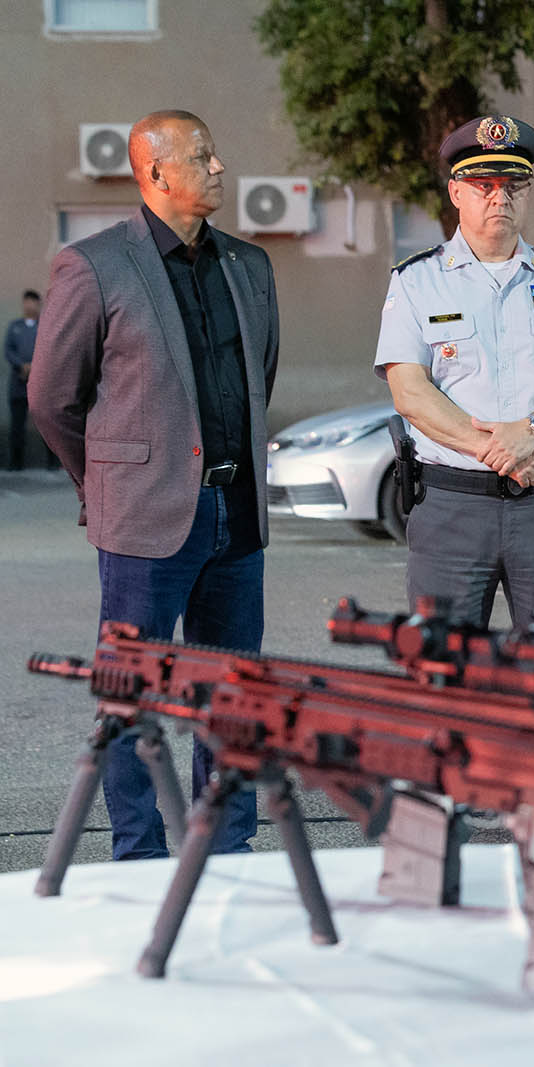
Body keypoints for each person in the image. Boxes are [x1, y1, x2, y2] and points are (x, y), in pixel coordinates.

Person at [29, 110, 276, 860]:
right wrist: (107, 484)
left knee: (232, 697)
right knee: (130, 700)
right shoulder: (95, 265)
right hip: (145, 523)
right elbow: (51, 399)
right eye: (202, 156)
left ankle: (225, 852)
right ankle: (138, 856)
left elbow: (256, 378)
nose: (219, 166)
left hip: (238, 514)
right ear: (156, 171)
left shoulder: (249, 265)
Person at [374, 115, 534, 631]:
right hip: (452, 508)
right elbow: (409, 392)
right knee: (445, 671)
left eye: (513, 185)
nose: (499, 198)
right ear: (456, 192)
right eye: (483, 185)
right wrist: (502, 451)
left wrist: (530, 433)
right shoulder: (417, 282)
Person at [5, 290, 41, 470]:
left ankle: (53, 463)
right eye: (26, 301)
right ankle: (16, 464)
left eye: (33, 302)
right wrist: (22, 366)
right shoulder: (14, 326)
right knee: (17, 427)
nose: (29, 305)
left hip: (40, 385)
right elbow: (8, 351)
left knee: (47, 424)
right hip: (18, 384)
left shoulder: (45, 326)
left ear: (38, 304)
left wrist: (35, 366)